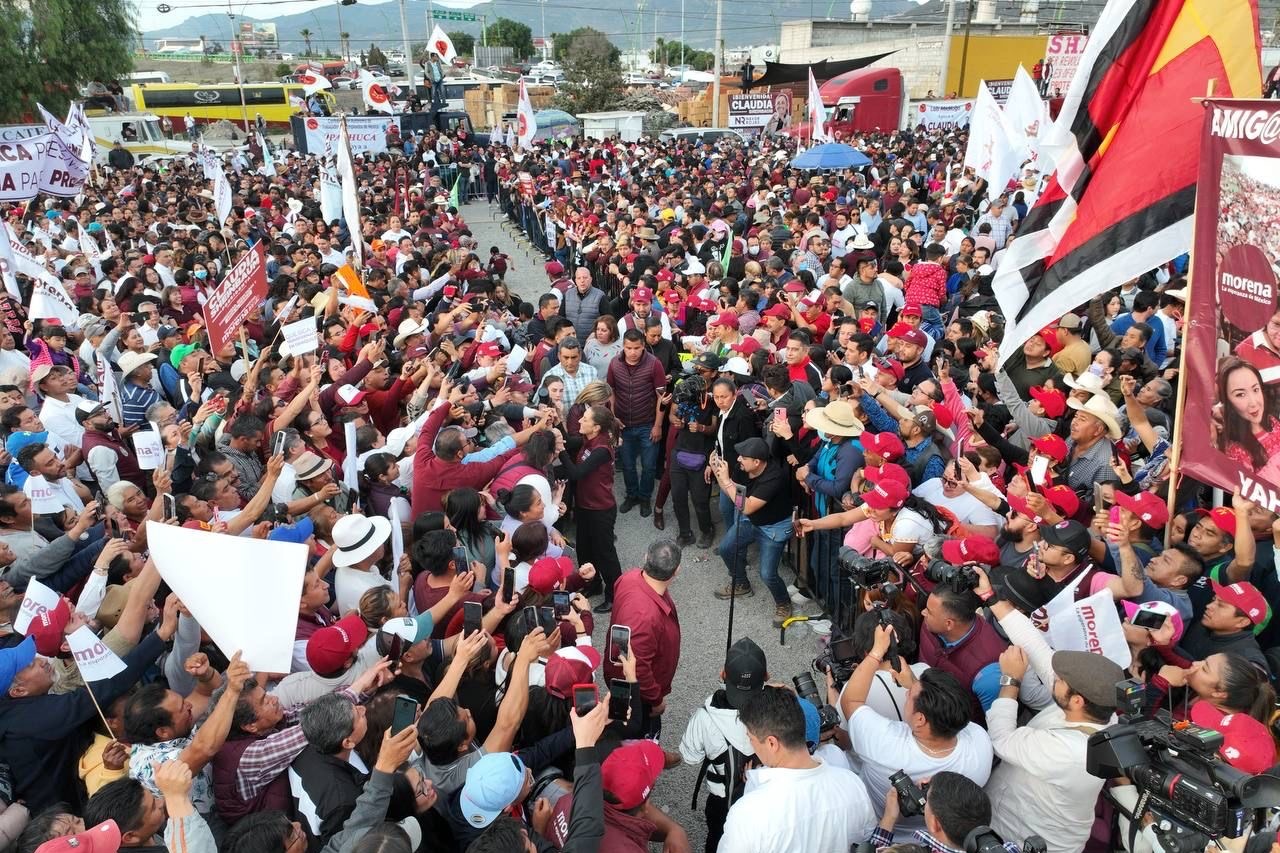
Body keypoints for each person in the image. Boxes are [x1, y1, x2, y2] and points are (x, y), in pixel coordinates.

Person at [974, 569, 1126, 853]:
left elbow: (1002, 740)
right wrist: (991, 597)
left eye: (1060, 680)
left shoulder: (1072, 753)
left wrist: (1011, 681)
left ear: (1077, 700)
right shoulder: (1103, 712)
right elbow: (1038, 649)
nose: (1052, 677)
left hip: (1028, 838)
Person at [718, 685, 875, 853]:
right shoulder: (852, 783)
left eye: (751, 738)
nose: (751, 745)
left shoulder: (747, 813)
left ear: (772, 743)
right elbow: (867, 840)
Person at [679, 637, 765, 853]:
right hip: (765, 797)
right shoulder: (776, 710)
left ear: (723, 674)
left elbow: (690, 757)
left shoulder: (704, 717)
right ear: (765, 676)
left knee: (718, 839)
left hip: (721, 801)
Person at [709, 437, 796, 627]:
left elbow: (746, 507)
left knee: (767, 574)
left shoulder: (774, 477)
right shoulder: (745, 470)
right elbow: (734, 493)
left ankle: (783, 602)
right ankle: (741, 583)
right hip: (752, 520)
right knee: (726, 548)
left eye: (743, 457)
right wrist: (717, 471)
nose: (738, 459)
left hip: (773, 528)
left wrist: (726, 481)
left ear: (757, 462)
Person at [603, 540, 682, 737]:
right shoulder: (645, 617)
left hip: (622, 678)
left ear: (646, 558)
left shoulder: (629, 577)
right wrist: (655, 700)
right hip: (635, 692)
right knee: (638, 730)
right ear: (677, 571)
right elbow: (638, 668)